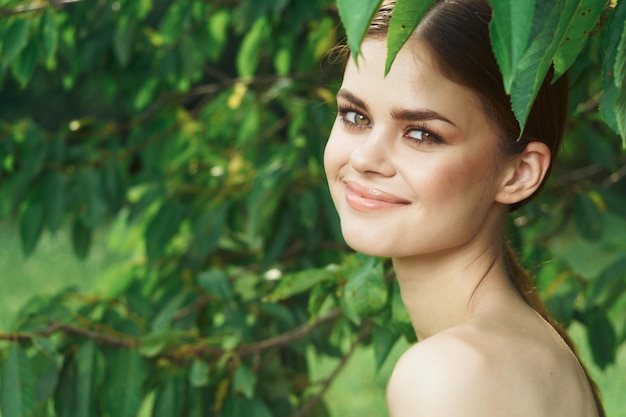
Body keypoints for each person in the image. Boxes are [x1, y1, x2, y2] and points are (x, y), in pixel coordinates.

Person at [323, 0, 605, 416]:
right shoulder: (519, 347)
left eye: (421, 133)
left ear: (519, 173)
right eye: (355, 116)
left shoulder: (451, 373)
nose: (365, 158)